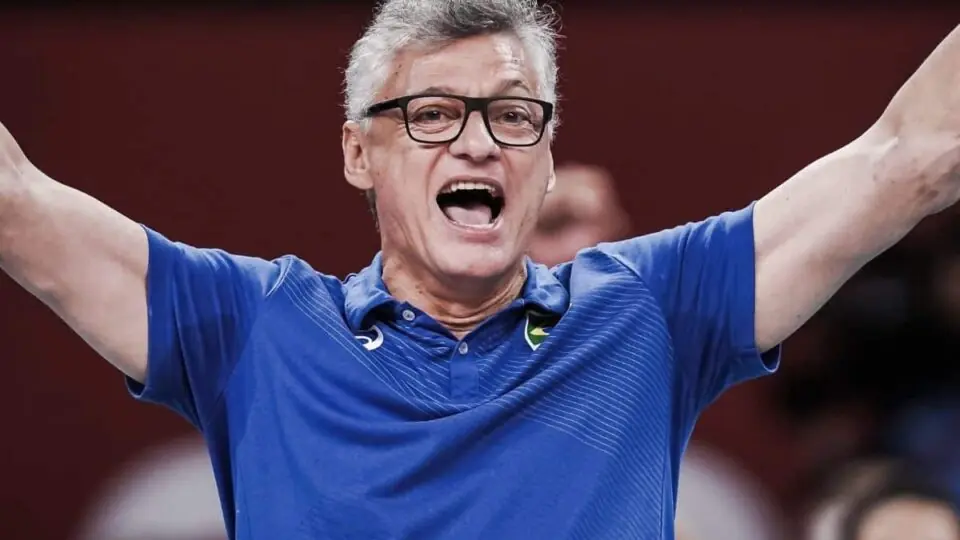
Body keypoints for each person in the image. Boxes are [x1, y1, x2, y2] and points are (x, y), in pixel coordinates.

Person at [1, 0, 959, 537]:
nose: (478, 143)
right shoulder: (250, 327)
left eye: (512, 115)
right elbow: (16, 205)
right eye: (430, 115)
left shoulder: (647, 312)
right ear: (358, 154)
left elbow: (909, 157)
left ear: (545, 156)